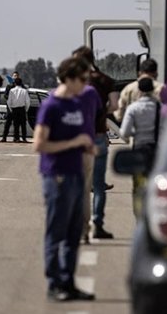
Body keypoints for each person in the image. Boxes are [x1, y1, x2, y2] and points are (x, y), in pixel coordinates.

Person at [33, 56, 96, 302]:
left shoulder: (76, 104)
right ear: (68, 78)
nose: (85, 84)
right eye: (81, 79)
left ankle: (68, 282)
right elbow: (38, 144)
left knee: (73, 232)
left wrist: (87, 146)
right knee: (56, 232)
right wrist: (74, 142)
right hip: (56, 175)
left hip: (76, 172)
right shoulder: (52, 106)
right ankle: (54, 283)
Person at [72, 46, 117, 239]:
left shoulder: (75, 81)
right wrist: (100, 113)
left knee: (80, 184)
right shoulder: (105, 80)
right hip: (98, 135)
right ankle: (97, 224)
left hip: (79, 137)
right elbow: (114, 105)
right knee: (98, 184)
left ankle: (80, 225)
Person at [120, 77, 162, 217]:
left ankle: (140, 216)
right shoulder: (160, 108)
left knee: (138, 186)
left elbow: (124, 132)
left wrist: (136, 132)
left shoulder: (133, 108)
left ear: (139, 90)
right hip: (156, 150)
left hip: (139, 149)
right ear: (152, 89)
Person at [78, 77, 102, 244]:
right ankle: (84, 229)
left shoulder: (58, 95)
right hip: (87, 144)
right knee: (85, 190)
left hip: (67, 149)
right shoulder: (91, 93)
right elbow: (100, 113)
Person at [116, 58, 164, 122]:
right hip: (157, 130)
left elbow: (119, 116)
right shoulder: (162, 88)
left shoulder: (128, 89)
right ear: (156, 73)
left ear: (139, 73)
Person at [7, 77, 31, 142]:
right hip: (22, 109)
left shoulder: (11, 91)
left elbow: (9, 101)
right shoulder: (24, 91)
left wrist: (11, 109)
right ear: (21, 83)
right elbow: (28, 101)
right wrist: (26, 109)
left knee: (16, 124)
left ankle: (16, 138)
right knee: (23, 124)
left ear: (15, 83)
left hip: (14, 109)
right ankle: (24, 138)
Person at [1, 71, 21, 142]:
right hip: (10, 107)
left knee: (17, 124)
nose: (15, 77)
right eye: (14, 76)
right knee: (8, 123)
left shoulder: (21, 86)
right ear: (12, 77)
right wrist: (11, 98)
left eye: (17, 76)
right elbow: (5, 95)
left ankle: (16, 138)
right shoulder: (9, 86)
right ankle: (4, 137)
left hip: (18, 108)